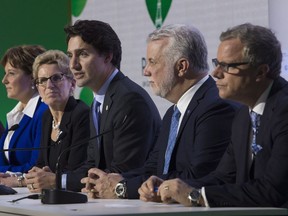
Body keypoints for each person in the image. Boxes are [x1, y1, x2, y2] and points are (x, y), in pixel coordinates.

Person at [80, 24, 239, 200]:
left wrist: (121, 189)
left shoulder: (216, 108)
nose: (146, 70)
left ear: (181, 66)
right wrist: (110, 182)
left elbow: (195, 177)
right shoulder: (173, 112)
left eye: (152, 62)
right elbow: (153, 169)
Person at [155, 23, 288, 207]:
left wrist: (196, 196)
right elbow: (223, 177)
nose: (216, 73)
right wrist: (168, 188)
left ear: (260, 71)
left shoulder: (284, 110)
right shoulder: (243, 115)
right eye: (217, 64)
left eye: (227, 66)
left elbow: (274, 190)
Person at [62, 19, 161, 192]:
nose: (73, 65)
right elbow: (93, 165)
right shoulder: (99, 100)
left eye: (83, 54)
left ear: (108, 56)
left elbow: (123, 171)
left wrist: (60, 182)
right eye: (70, 55)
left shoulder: (129, 100)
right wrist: (58, 179)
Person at [0, 50, 91, 191]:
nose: (49, 86)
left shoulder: (81, 115)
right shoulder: (47, 118)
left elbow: (77, 170)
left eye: (56, 78)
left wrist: (22, 181)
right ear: (37, 86)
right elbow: (39, 166)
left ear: (72, 84)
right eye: (42, 80)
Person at [0, 45, 47, 174]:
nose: (4, 80)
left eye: (11, 73)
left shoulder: (44, 112)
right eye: (5, 73)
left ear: (33, 77)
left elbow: (35, 167)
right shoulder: (15, 114)